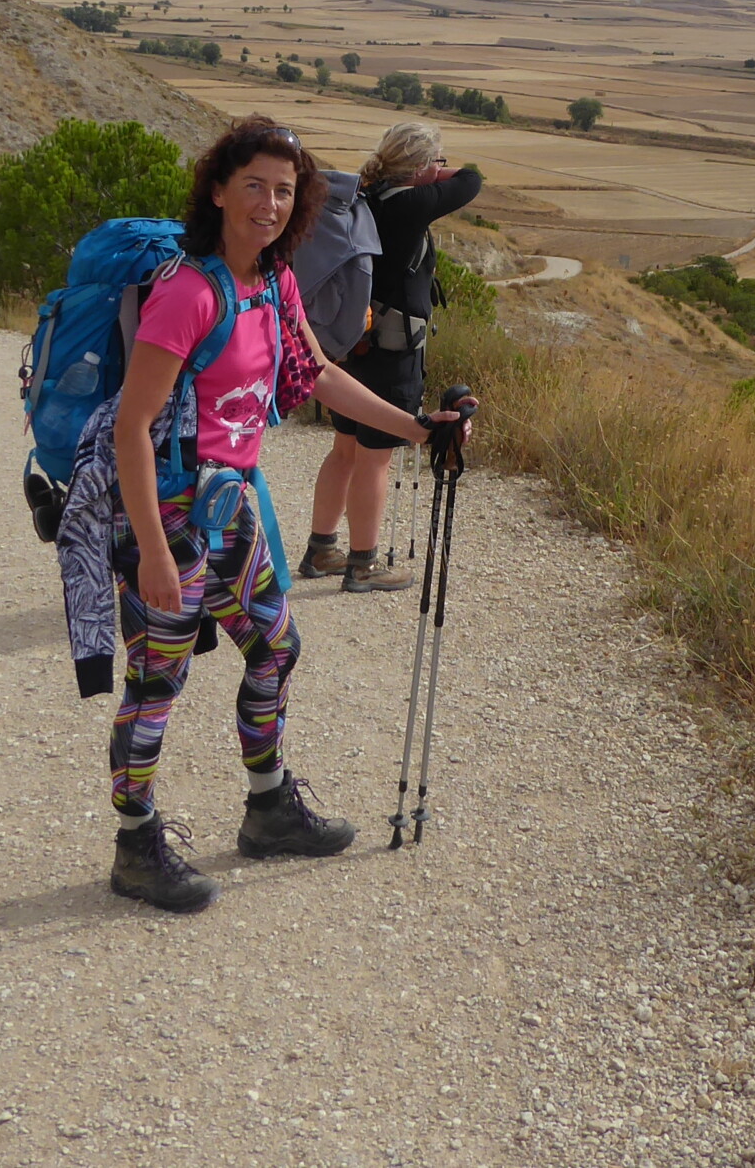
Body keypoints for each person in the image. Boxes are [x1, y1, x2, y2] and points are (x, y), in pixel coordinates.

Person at [105, 116, 474, 913]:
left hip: (232, 501)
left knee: (275, 647)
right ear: (218, 189)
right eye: (255, 186)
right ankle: (134, 845)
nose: (270, 204)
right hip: (170, 515)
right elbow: (132, 426)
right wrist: (153, 554)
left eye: (284, 189)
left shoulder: (273, 283)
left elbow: (317, 378)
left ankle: (267, 809)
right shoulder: (188, 291)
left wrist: (416, 429)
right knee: (158, 678)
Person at [302, 121, 483, 592]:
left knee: (345, 449)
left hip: (353, 345)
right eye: (435, 161)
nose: (442, 168)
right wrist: (437, 175)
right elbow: (472, 179)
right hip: (393, 350)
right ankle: (363, 564)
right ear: (421, 167)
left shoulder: (367, 197)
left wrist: (420, 172)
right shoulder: (407, 204)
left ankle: (321, 549)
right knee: (376, 459)